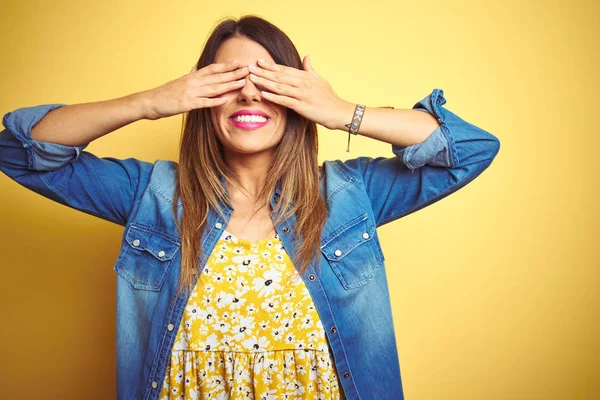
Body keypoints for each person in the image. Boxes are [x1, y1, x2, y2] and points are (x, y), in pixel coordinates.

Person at [0, 14, 500, 400]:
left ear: (296, 96)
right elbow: (21, 151)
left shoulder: (349, 196)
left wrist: (341, 112)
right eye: (226, 78)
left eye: (269, 79)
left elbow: (470, 150)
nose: (247, 92)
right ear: (199, 96)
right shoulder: (151, 195)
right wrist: (150, 102)